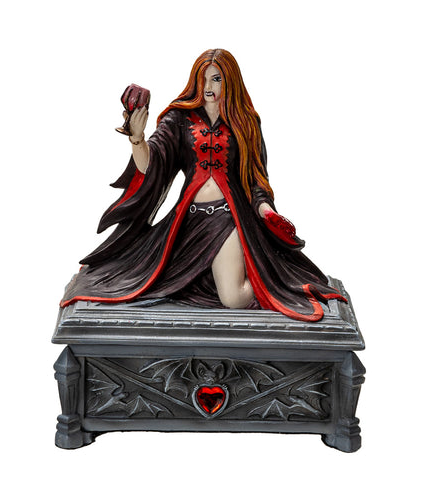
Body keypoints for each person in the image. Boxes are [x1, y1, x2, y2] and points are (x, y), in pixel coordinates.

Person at [60, 49, 346, 321]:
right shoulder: (178, 119)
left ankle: (265, 281)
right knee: (147, 282)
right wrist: (137, 138)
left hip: (228, 219)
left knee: (233, 298)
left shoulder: (245, 122)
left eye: (216, 79)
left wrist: (265, 211)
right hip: (186, 222)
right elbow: (151, 165)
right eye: (204, 79)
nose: (209, 87)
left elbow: (256, 180)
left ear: (230, 80)